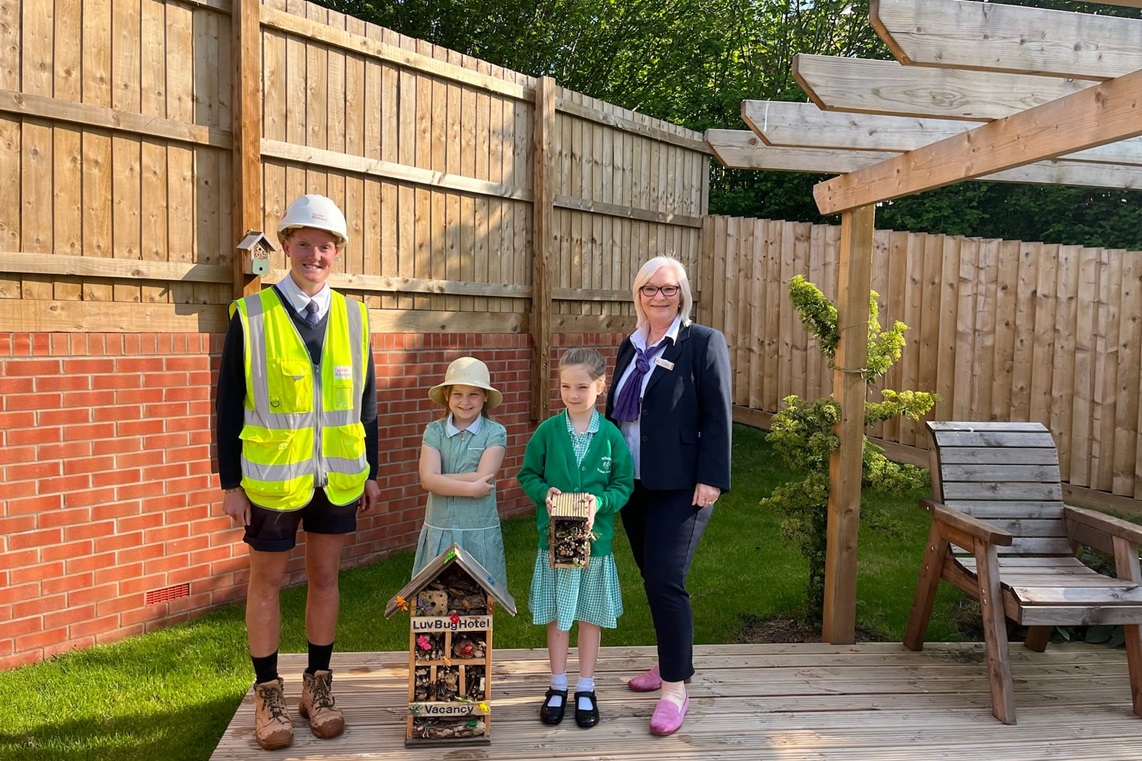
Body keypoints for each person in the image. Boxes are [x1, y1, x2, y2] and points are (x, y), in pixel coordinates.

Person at [215, 194, 380, 750]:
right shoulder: (253, 314)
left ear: (338, 253)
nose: (315, 254)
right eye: (304, 243)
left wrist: (371, 470)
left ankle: (318, 685)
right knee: (266, 583)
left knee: (326, 578)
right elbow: (228, 402)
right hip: (271, 479)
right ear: (285, 246)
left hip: (337, 477)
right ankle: (267, 693)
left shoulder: (355, 317)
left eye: (325, 245)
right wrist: (229, 483)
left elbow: (367, 402)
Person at [605, 255, 732, 736]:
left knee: (666, 579)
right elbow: (620, 416)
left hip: (683, 484)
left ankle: (675, 686)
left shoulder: (702, 342)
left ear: (683, 293)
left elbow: (718, 413)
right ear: (637, 294)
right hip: (634, 484)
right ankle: (668, 660)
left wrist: (712, 477)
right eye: (649, 289)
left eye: (669, 288)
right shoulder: (630, 345)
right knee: (652, 577)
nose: (659, 296)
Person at [518, 348, 634, 729]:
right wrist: (544, 493)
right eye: (566, 386)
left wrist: (599, 501)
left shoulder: (612, 437)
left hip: (594, 546)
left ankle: (586, 686)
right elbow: (528, 475)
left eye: (582, 387)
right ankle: (557, 684)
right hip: (555, 546)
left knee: (589, 616)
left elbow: (622, 486)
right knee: (557, 616)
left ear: (600, 387)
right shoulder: (548, 432)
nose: (572, 394)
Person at [412, 356, 509, 590]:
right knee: (436, 597)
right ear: (447, 395)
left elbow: (484, 476)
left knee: (478, 600)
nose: (465, 402)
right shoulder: (434, 432)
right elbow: (427, 479)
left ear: (485, 397)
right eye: (458, 394)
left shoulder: (495, 433)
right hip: (441, 527)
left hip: (479, 530)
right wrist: (470, 488)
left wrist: (438, 479)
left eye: (473, 394)